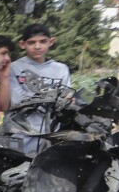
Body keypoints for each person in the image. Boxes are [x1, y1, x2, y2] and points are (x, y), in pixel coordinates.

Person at [4, 23, 73, 153]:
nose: (37, 46)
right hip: (20, 134)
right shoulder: (14, 68)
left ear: (51, 42)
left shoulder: (61, 69)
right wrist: (54, 98)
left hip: (52, 135)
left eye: (43, 41)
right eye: (31, 42)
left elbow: (66, 99)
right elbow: (18, 101)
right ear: (22, 44)